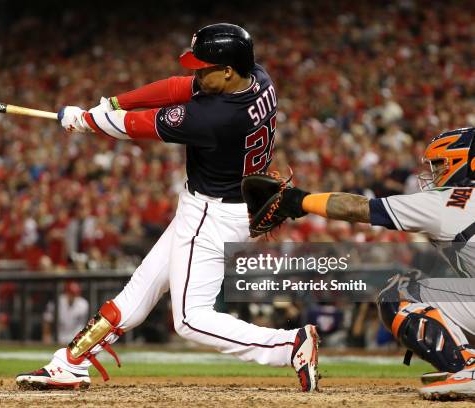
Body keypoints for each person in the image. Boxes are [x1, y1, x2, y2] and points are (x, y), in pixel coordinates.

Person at [16, 23, 319, 392]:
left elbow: (136, 126)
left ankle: (288, 346)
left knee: (191, 319)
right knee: (141, 288)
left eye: (204, 67)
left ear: (227, 71)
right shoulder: (256, 77)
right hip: (225, 205)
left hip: (213, 214)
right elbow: (177, 87)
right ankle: (72, 361)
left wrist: (84, 120)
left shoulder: (216, 118)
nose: (197, 73)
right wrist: (112, 102)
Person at [252, 127, 475, 399]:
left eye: (440, 164)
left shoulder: (449, 201)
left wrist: (298, 200)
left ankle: (467, 367)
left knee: (402, 292)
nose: (434, 173)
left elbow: (359, 208)